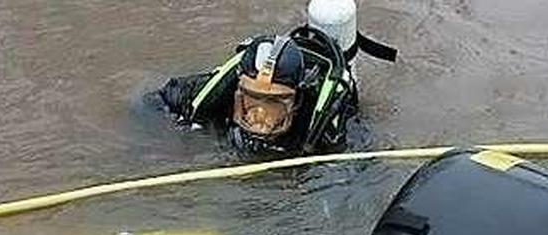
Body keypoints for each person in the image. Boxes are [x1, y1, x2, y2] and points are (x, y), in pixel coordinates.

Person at [157, 22, 396, 155]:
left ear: (297, 100)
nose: (258, 116)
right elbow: (154, 101)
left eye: (273, 104)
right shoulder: (217, 96)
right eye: (250, 101)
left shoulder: (322, 128)